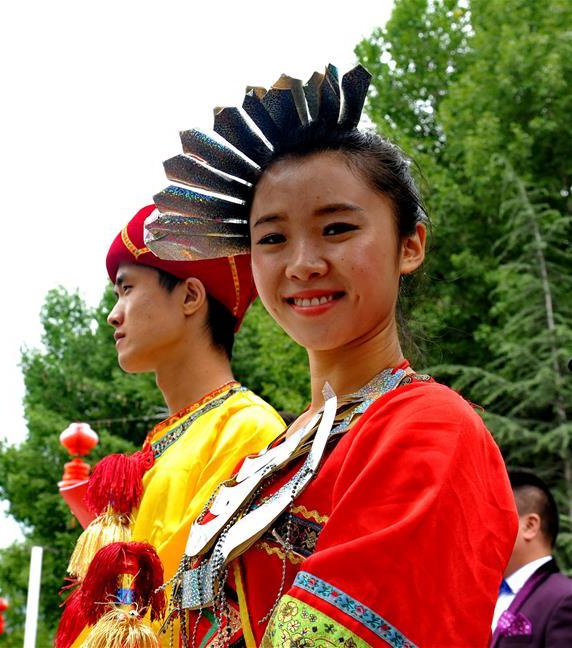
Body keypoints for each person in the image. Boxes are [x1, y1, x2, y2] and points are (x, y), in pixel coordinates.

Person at [143, 64, 518, 647]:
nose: (302, 264)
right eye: (271, 238)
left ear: (410, 244)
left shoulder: (430, 430)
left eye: (337, 228)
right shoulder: (278, 452)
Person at [55, 205, 286, 647]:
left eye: (127, 290)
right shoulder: (164, 441)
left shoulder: (247, 429)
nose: (113, 314)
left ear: (190, 297)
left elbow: (192, 609)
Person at [491, 470, 572, 647]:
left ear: (529, 526)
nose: (484, 531)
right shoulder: (486, 597)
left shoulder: (564, 598)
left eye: (493, 519)